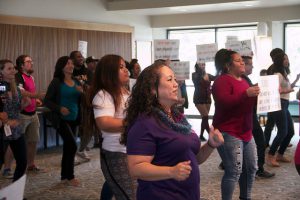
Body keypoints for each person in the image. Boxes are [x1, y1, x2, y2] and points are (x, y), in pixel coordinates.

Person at [120, 62, 224, 200]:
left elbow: (193, 158)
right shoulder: (145, 123)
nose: (176, 84)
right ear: (152, 89)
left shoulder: (177, 117)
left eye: (175, 79)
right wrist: (171, 171)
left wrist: (211, 145)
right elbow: (135, 169)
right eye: (170, 80)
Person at [212, 50, 259, 200]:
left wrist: (261, 93)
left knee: (251, 168)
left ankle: (246, 197)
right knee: (234, 171)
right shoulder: (221, 81)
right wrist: (246, 94)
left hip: (246, 131)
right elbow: (224, 102)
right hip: (229, 132)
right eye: (238, 60)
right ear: (227, 65)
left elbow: (248, 103)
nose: (242, 62)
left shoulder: (244, 80)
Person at [90, 54, 136, 200]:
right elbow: (104, 123)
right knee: (129, 194)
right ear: (109, 72)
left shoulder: (128, 93)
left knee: (120, 186)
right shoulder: (103, 95)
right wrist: (134, 123)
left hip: (133, 150)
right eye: (121, 67)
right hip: (116, 153)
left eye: (125, 67)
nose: (126, 70)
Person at [44, 56, 82, 186]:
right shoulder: (56, 82)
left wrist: (82, 92)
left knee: (68, 147)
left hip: (75, 118)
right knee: (72, 145)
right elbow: (47, 101)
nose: (71, 66)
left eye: (71, 63)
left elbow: (84, 100)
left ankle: (64, 176)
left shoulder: (77, 81)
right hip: (61, 119)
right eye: (67, 64)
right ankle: (70, 176)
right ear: (61, 67)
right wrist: (59, 108)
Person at [242, 56, 275, 178]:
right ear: (243, 65)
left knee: (247, 143)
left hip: (249, 115)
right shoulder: (241, 79)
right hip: (247, 116)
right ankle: (259, 169)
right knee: (260, 142)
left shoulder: (244, 79)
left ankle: (227, 163)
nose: (252, 66)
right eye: (250, 64)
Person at [266, 52, 299, 167]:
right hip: (278, 103)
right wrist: (288, 91)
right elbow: (275, 90)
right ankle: (270, 155)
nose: (287, 60)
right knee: (283, 132)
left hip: (284, 104)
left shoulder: (284, 73)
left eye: (287, 58)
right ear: (279, 61)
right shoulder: (278, 74)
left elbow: (288, 88)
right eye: (284, 59)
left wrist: (296, 80)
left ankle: (280, 154)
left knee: (290, 132)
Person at [0, 59, 30, 182]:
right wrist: (6, 121)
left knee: (22, 161)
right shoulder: (0, 87)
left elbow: (17, 107)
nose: (13, 70)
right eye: (9, 68)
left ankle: (15, 193)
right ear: (1, 71)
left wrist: (24, 103)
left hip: (16, 129)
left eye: (13, 68)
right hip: (2, 130)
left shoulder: (16, 87)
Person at [15, 54, 45, 173]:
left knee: (33, 140)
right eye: (28, 61)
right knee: (16, 142)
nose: (31, 63)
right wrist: (37, 95)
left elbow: (30, 93)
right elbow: (21, 93)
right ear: (21, 65)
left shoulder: (31, 78)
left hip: (33, 113)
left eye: (31, 61)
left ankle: (31, 164)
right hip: (22, 114)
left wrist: (35, 100)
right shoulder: (18, 77)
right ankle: (7, 168)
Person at [69, 50, 91, 162]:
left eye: (82, 56)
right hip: (74, 104)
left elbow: (92, 84)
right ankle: (72, 153)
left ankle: (82, 149)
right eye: (78, 57)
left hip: (86, 103)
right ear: (72, 59)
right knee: (75, 129)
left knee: (89, 129)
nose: (81, 58)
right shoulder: (69, 71)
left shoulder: (87, 71)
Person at [192, 62, 215, 141]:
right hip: (198, 98)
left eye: (204, 64)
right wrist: (202, 73)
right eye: (201, 64)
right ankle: (211, 135)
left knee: (204, 118)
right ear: (197, 65)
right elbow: (197, 81)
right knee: (205, 116)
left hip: (208, 98)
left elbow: (216, 78)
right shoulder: (194, 75)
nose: (203, 65)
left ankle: (201, 135)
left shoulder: (208, 74)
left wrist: (220, 70)